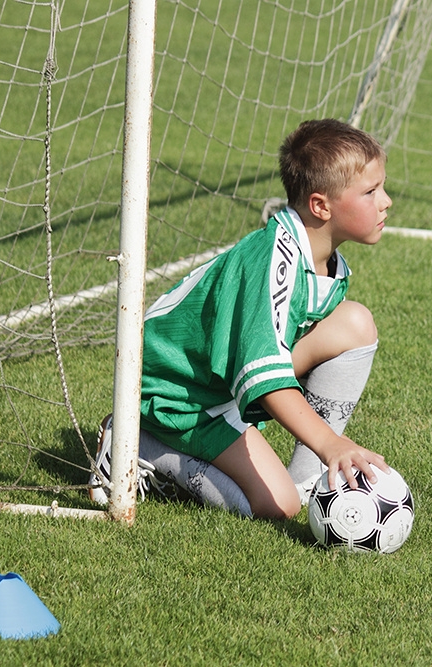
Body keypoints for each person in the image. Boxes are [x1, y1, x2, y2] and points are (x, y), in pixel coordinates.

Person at [89, 118, 392, 519]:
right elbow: (263, 378)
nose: (386, 201)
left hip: (218, 378)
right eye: (371, 192)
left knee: (355, 325)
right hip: (177, 395)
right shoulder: (273, 263)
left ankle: (310, 483)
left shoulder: (321, 258)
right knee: (275, 506)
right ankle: (132, 447)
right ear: (320, 205)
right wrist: (331, 443)